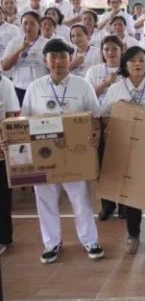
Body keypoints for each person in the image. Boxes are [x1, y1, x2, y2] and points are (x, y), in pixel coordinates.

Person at [10, 39, 104, 263]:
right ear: (45, 61)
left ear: (70, 59)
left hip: (75, 154)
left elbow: (96, 118)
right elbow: (23, 122)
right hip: (43, 154)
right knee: (45, 199)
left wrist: (95, 135)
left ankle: (90, 240)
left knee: (81, 199)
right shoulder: (35, 87)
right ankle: (52, 243)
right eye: (53, 57)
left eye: (62, 56)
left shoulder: (83, 86)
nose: (58, 61)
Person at [101, 46, 145, 254]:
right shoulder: (116, 89)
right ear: (125, 64)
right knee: (130, 192)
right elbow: (105, 115)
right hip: (126, 149)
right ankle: (133, 234)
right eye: (132, 60)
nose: (138, 64)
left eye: (142, 60)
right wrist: (111, 131)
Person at [84, 35, 123, 220]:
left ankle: (124, 205)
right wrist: (106, 82)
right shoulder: (94, 71)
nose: (110, 52)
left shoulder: (127, 69)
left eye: (114, 48)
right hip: (99, 120)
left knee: (123, 163)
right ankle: (107, 205)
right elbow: (88, 95)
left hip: (122, 120)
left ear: (121, 50)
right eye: (106, 49)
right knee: (103, 164)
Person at [2, 11, 49, 104]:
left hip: (41, 87)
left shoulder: (47, 43)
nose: (28, 27)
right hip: (19, 88)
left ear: (39, 25)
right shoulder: (14, 42)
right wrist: (19, 49)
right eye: (25, 23)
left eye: (32, 23)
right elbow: (5, 66)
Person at [0, 67, 21, 255]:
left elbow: (12, 115)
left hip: (1, 146)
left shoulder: (4, 83)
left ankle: (3, 237)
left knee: (2, 195)